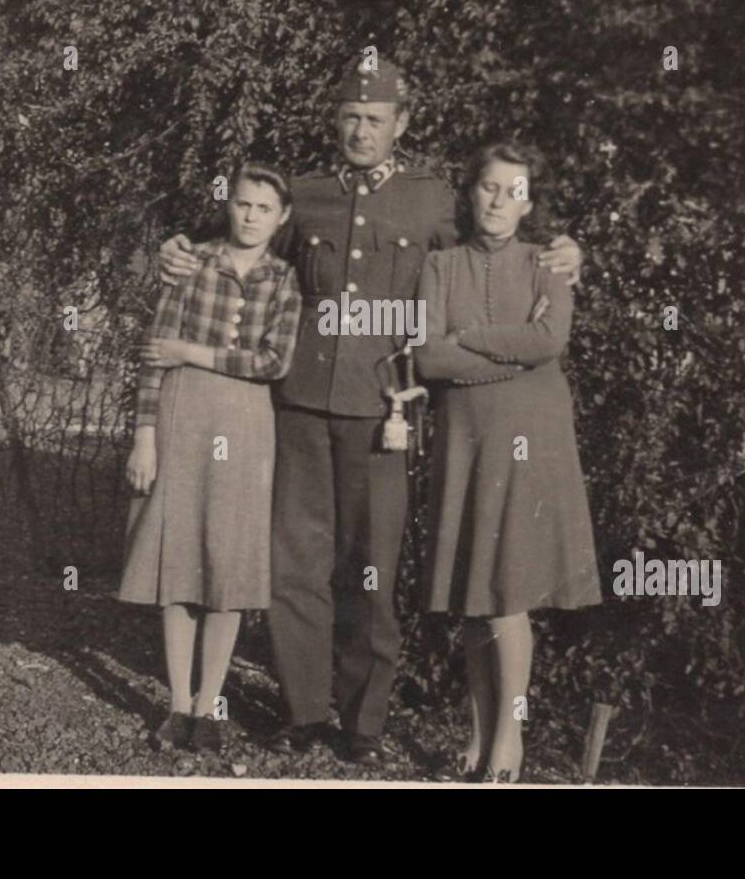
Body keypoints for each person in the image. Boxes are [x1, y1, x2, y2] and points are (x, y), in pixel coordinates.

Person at [157, 58, 584, 766]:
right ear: (337, 120)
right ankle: (304, 710)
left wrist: (568, 252)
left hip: (382, 404)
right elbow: (245, 242)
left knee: (371, 568)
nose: (361, 130)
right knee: (296, 563)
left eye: (376, 120)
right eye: (351, 117)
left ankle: (364, 720)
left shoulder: (432, 201)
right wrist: (180, 251)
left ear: (401, 124)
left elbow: (493, 245)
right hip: (298, 397)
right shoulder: (308, 194)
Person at [415, 140, 603, 783]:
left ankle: (509, 743)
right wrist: (504, 352)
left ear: (528, 205)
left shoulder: (548, 262)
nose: (499, 201)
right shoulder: (441, 266)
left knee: (508, 594)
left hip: (531, 437)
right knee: (473, 596)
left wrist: (466, 339)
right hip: (465, 438)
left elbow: (549, 342)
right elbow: (427, 360)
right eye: (489, 187)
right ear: (472, 193)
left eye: (513, 191)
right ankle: (476, 737)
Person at [119, 162, 302, 754]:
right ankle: (176, 703)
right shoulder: (190, 260)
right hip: (182, 417)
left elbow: (273, 362)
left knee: (228, 565)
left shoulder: (283, 278)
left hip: (247, 426)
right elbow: (153, 356)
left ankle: (208, 706)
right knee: (178, 562)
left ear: (282, 218)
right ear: (231, 206)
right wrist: (144, 435)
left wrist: (190, 352)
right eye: (243, 204)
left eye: (263, 209)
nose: (251, 216)